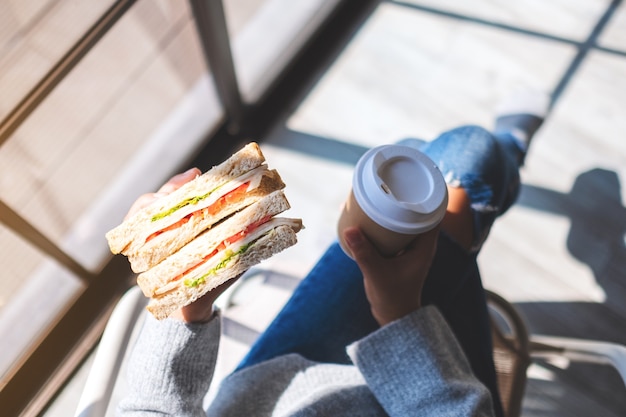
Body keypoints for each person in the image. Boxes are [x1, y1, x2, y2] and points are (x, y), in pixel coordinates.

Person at [118, 91, 549, 417]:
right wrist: (401, 317)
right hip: (422, 391)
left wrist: (185, 311)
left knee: (416, 168)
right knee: (471, 154)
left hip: (273, 389)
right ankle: (509, 150)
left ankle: (469, 183)